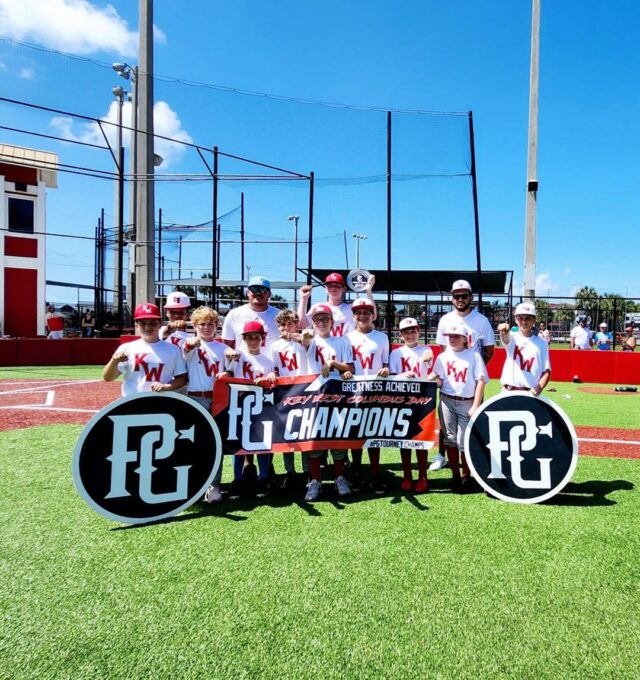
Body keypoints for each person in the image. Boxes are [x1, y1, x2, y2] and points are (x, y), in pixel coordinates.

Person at [430, 279, 494, 471]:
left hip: (471, 382)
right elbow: (444, 352)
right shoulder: (445, 320)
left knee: (472, 421)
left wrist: (472, 371)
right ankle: (441, 455)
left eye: (464, 295)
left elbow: (490, 351)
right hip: (451, 382)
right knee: (446, 423)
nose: (460, 299)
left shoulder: (481, 321)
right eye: (456, 296)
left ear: (470, 297)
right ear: (452, 299)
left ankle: (473, 460)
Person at [301, 303, 355, 501]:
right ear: (312, 322)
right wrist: (305, 337)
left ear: (332, 321)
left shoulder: (341, 342)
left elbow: (350, 368)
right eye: (317, 319)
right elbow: (304, 340)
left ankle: (339, 477)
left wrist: (335, 364)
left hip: (337, 395)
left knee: (337, 438)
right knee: (315, 440)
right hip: (314, 396)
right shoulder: (309, 340)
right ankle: (315, 481)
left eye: (325, 319)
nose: (321, 322)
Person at [429, 321, 488, 492]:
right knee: (450, 439)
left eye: (456, 336)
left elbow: (481, 381)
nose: (452, 339)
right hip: (447, 400)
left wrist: (476, 404)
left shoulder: (474, 356)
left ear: (465, 338)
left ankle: (466, 475)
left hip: (467, 402)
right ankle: (455, 475)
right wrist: (432, 379)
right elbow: (440, 381)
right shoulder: (442, 357)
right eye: (449, 336)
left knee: (464, 441)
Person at [224, 320, 277, 499]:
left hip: (260, 408)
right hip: (238, 407)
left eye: (256, 337)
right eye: (249, 338)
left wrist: (272, 377)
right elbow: (228, 374)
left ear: (262, 339)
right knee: (238, 443)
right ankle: (237, 480)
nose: (253, 341)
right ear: (243, 339)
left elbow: (275, 383)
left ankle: (263, 478)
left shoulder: (268, 361)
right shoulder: (237, 356)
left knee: (262, 443)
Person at [182, 306, 228, 504]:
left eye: (211, 324)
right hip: (195, 397)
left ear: (217, 325)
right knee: (195, 444)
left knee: (215, 444)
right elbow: (184, 352)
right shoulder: (188, 344)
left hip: (218, 398)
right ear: (194, 326)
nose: (207, 328)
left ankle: (214, 484)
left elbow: (231, 372)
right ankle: (194, 484)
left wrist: (228, 374)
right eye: (202, 324)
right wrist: (189, 345)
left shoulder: (223, 348)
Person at [344, 297, 390, 494]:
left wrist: (386, 371)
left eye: (366, 312)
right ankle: (356, 470)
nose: (362, 315)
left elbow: (386, 363)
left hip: (375, 391)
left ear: (373, 315)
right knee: (355, 433)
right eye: (358, 312)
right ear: (353, 316)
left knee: (373, 434)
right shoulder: (346, 338)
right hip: (353, 391)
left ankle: (375, 472)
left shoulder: (382, 337)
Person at [389, 317, 434, 493]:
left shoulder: (426, 349)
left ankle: (423, 475)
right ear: (401, 335)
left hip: (422, 400)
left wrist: (428, 358)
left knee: (420, 438)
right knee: (404, 439)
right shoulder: (396, 353)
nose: (410, 335)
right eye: (406, 332)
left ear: (419, 332)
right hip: (402, 400)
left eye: (413, 331)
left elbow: (429, 365)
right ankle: (407, 474)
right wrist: (402, 375)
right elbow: (392, 376)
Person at [103, 303, 187, 396]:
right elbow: (108, 378)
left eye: (153, 323)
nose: (148, 327)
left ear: (160, 324)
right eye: (142, 323)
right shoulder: (126, 348)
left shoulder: (173, 350)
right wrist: (114, 361)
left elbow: (182, 378)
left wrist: (166, 386)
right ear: (136, 326)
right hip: (131, 401)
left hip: (162, 401)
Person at [268, 309, 310, 492]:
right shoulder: (275, 346)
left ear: (296, 324)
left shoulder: (302, 341)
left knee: (306, 432)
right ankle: (290, 472)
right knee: (287, 435)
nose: (286, 327)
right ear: (278, 326)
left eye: (290, 323)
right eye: (283, 324)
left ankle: (307, 471)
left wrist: (295, 336)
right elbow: (272, 368)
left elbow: (308, 340)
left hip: (304, 390)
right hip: (284, 392)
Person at [298, 272, 376, 338]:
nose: (333, 289)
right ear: (325, 289)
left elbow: (373, 316)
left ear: (343, 289)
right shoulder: (318, 307)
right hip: (324, 349)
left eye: (337, 286)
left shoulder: (351, 307)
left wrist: (368, 291)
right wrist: (304, 299)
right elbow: (301, 325)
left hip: (346, 349)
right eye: (330, 286)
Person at [497, 302, 551, 396]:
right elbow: (505, 338)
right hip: (508, 392)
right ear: (515, 319)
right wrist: (503, 330)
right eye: (520, 318)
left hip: (530, 393)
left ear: (534, 320)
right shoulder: (512, 337)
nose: (524, 321)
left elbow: (546, 370)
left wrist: (540, 387)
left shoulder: (542, 344)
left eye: (528, 318)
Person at [221, 276, 280, 350]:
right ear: (247, 293)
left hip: (271, 361)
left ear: (269, 294)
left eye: (263, 290)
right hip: (244, 361)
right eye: (254, 289)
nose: (258, 293)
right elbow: (227, 346)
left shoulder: (279, 316)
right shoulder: (234, 314)